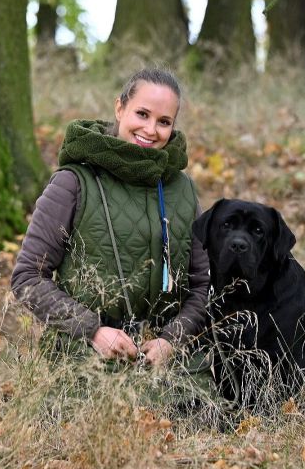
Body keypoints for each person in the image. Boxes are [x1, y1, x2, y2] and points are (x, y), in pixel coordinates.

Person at [11, 68, 209, 368]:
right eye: (142, 114)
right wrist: (93, 330)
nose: (151, 130)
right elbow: (27, 277)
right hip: (84, 355)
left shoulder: (182, 190)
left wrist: (172, 338)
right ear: (120, 108)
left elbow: (204, 284)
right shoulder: (73, 182)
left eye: (164, 122)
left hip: (166, 357)